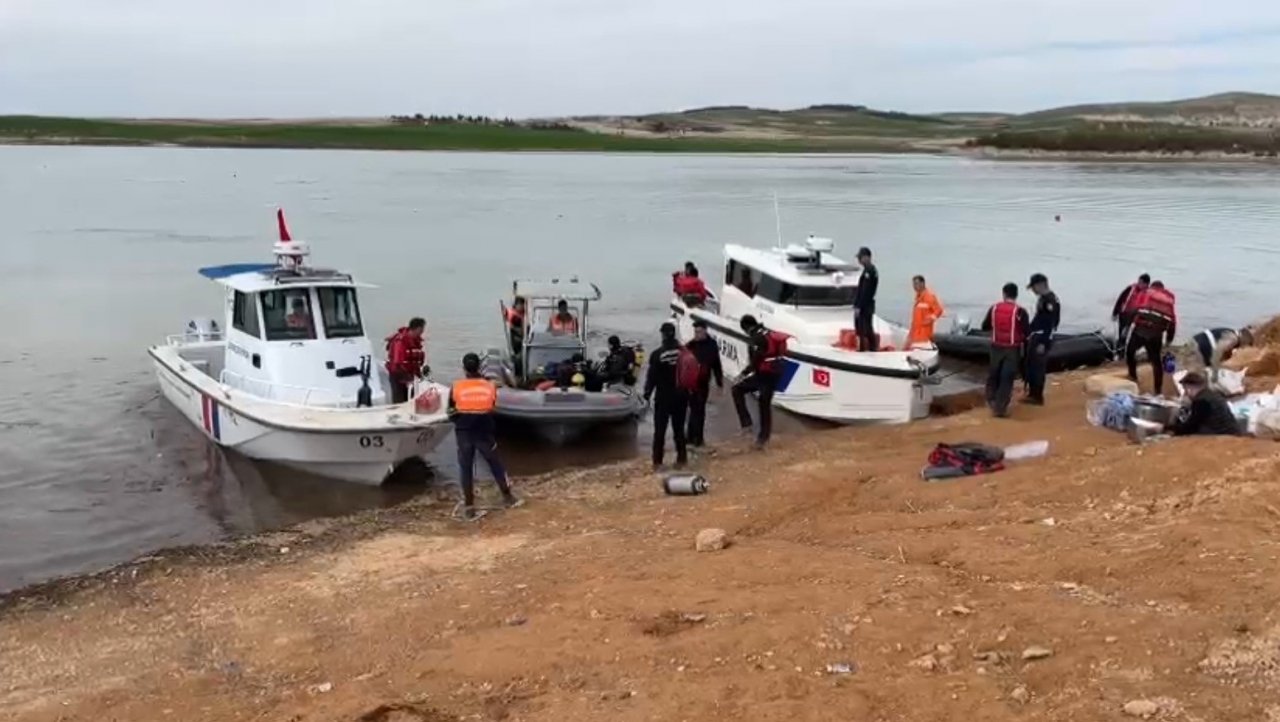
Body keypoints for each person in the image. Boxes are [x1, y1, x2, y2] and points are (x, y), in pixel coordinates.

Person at [449, 353, 522, 521]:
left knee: (466, 468)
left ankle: (469, 508)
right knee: (495, 464)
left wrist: (460, 419)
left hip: (464, 431)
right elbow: (492, 406)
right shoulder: (490, 386)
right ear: (480, 367)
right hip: (483, 431)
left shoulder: (456, 387)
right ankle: (508, 498)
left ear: (464, 368)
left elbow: (450, 412)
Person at [732, 315, 784, 449]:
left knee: (737, 389)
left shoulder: (757, 338)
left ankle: (749, 427)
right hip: (775, 372)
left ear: (746, 328)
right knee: (764, 403)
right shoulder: (767, 332)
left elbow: (756, 360)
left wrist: (742, 374)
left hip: (764, 375)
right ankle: (762, 436)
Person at [981, 283, 1030, 418]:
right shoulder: (1020, 312)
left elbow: (984, 326)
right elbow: (1027, 333)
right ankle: (1000, 408)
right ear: (1016, 295)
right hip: (1012, 348)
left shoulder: (994, 308)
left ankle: (991, 398)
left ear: (1004, 294)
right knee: (1007, 378)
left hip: (996, 346)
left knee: (994, 374)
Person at [643, 322, 688, 470]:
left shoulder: (657, 354)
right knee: (679, 429)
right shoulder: (684, 352)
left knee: (660, 431)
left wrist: (647, 394)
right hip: (681, 396)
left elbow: (652, 377)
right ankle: (682, 459)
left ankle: (658, 462)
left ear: (662, 334)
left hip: (663, 397)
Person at [1125, 280, 1177, 395]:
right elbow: (1172, 322)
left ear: (1152, 286)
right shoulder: (1168, 300)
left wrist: (1127, 327)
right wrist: (1169, 340)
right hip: (1156, 334)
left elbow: (1134, 309)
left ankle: (1133, 376)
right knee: (1156, 362)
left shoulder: (1145, 293)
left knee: (1130, 352)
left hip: (1140, 331)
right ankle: (1158, 391)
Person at [684, 320, 725, 447]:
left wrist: (719, 383)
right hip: (691, 383)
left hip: (703, 383)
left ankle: (699, 438)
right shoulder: (690, 345)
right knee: (693, 409)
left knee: (700, 410)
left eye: (699, 332)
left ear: (705, 331)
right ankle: (690, 437)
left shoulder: (712, 345)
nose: (697, 334)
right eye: (695, 332)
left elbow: (716, 365)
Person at [1024, 273, 1060, 406]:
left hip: (1042, 337)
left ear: (1041, 285)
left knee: (1038, 367)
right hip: (1036, 335)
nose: (1033, 290)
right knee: (1031, 365)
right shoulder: (1043, 299)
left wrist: (1044, 342)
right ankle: (1032, 393)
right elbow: (1038, 318)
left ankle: (1037, 396)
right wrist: (1028, 330)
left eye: (1033, 287)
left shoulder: (1050, 300)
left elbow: (1051, 323)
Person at [1168, 371, 1241, 437]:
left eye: (1185, 389)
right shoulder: (1211, 395)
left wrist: (1169, 428)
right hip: (1232, 434)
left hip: (1222, 437)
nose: (1185, 393)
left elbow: (1190, 427)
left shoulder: (1202, 401)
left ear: (1189, 388)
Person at [1178, 327, 1255, 384]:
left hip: (1195, 348)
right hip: (1195, 350)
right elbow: (1217, 351)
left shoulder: (1230, 333)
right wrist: (1215, 373)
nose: (1246, 347)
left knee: (1197, 378)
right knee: (1197, 378)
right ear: (1246, 338)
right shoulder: (1233, 338)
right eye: (1249, 343)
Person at [385, 317, 428, 404]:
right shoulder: (400, 342)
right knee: (399, 402)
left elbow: (418, 360)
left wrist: (420, 374)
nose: (423, 331)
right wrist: (407, 378)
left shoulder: (416, 342)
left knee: (412, 400)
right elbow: (397, 363)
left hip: (410, 376)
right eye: (422, 329)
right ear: (416, 328)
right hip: (398, 377)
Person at [853, 247, 880, 352]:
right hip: (866, 304)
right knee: (866, 327)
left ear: (867, 257)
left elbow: (865, 291)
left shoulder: (869, 271)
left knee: (864, 328)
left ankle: (865, 349)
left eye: (860, 258)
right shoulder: (868, 270)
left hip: (865, 305)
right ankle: (870, 348)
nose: (859, 260)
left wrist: (859, 306)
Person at [907, 275, 945, 348]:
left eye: (916, 284)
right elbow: (915, 320)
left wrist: (930, 319)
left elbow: (939, 310)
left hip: (924, 336)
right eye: (913, 284)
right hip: (916, 335)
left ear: (922, 284)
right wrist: (910, 335)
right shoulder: (918, 298)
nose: (914, 286)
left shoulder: (929, 296)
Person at [1112, 274, 1150, 345]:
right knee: (1122, 333)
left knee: (1131, 335)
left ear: (1146, 284)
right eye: (1139, 281)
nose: (1139, 284)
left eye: (1141, 282)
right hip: (1124, 314)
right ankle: (1120, 346)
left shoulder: (1148, 293)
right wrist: (1115, 312)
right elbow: (1121, 298)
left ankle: (1126, 346)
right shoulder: (1131, 288)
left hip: (1136, 318)